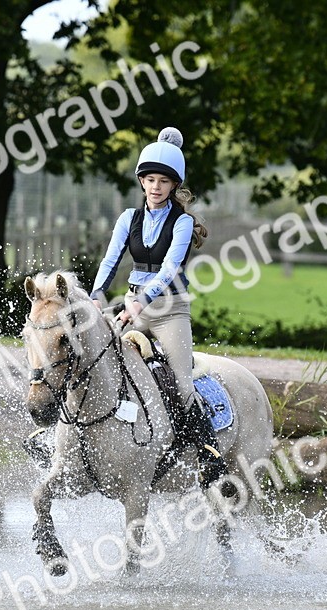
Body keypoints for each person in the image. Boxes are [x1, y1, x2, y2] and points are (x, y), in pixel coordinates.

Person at [88, 126, 225, 480]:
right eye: (149, 179)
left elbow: (168, 270)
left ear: (174, 185)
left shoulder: (181, 223)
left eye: (163, 181)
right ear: (141, 181)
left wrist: (138, 304)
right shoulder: (128, 219)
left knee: (180, 383)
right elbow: (110, 260)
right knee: (96, 361)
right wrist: (94, 299)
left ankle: (207, 451)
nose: (155, 186)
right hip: (134, 302)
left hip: (169, 310)